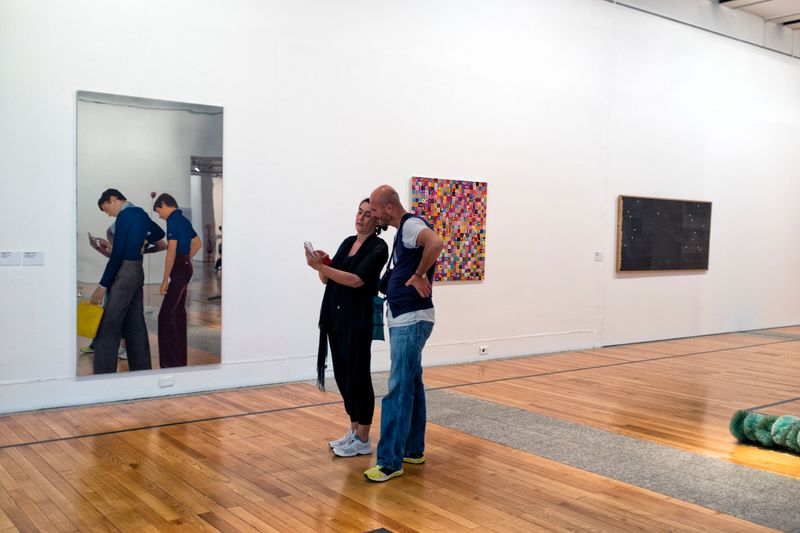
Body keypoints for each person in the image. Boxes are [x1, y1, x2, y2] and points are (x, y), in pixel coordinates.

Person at [363, 185, 444, 482]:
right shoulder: (403, 231)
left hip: (411, 318)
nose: (372, 215)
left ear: (387, 208)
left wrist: (419, 274)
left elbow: (436, 243)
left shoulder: (410, 225)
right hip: (407, 316)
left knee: (398, 387)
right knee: (411, 382)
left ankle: (389, 462)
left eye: (373, 209)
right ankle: (412, 449)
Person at [305, 198, 388, 458]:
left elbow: (355, 280)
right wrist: (323, 264)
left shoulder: (379, 247)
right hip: (335, 316)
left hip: (357, 319)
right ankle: (354, 430)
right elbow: (326, 279)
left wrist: (323, 267)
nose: (360, 218)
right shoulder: (346, 242)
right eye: (359, 212)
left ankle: (363, 437)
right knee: (343, 375)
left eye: (367, 214)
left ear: (377, 221)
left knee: (358, 375)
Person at [89, 189, 155, 374]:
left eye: (107, 209)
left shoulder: (125, 215)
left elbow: (117, 255)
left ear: (113, 199)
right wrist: (141, 243)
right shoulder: (141, 213)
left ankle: (103, 373)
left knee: (109, 323)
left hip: (125, 273)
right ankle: (142, 370)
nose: (108, 214)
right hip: (137, 270)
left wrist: (102, 286)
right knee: (135, 323)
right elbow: (158, 234)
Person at [82, 219, 167, 358]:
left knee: (123, 312)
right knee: (111, 310)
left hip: (127, 276)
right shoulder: (121, 229)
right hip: (117, 273)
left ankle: (123, 346)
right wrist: (98, 247)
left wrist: (142, 252)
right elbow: (115, 256)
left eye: (111, 235)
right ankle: (101, 343)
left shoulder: (136, 228)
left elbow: (163, 245)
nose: (111, 237)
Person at [153, 193, 202, 368]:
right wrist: (187, 258)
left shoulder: (172, 221)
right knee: (178, 313)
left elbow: (171, 252)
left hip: (179, 269)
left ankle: (170, 362)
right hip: (186, 267)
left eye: (159, 211)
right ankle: (179, 360)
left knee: (165, 316)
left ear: (164, 204)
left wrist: (164, 279)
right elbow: (198, 243)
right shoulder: (184, 220)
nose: (159, 215)